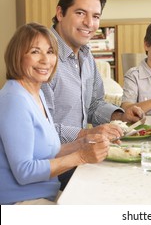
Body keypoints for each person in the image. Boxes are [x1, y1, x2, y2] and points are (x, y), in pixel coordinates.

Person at [41, 0, 143, 189]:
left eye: (95, 16)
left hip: (81, 155)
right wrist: (86, 134)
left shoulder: (86, 56)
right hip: (53, 165)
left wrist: (120, 115)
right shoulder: (43, 58)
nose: (89, 23)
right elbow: (42, 130)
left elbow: (94, 104)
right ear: (60, 13)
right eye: (80, 13)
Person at [0, 23, 110, 205]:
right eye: (35, 52)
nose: (45, 60)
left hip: (43, 195)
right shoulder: (14, 100)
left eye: (50, 52)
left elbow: (48, 151)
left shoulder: (37, 93)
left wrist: (85, 142)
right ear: (17, 57)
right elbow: (24, 171)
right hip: (20, 203)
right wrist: (81, 156)